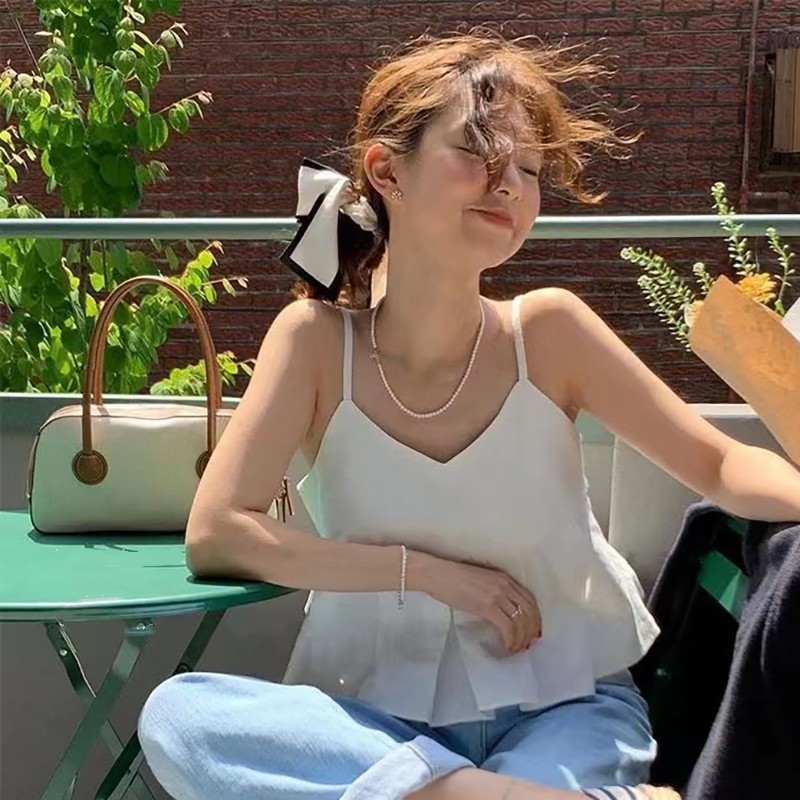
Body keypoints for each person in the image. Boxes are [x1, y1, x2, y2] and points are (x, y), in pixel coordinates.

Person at [136, 29, 800, 800]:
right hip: (372, 724)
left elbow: (719, 462)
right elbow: (219, 532)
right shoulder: (313, 342)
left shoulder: (548, 331)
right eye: (480, 152)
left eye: (529, 169)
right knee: (179, 715)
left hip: (563, 710)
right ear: (387, 170)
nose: (510, 184)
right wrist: (430, 576)